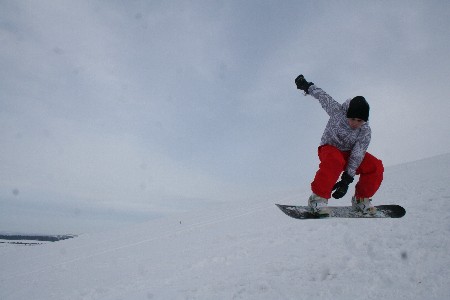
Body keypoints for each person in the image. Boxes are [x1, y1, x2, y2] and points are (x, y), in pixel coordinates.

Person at [294, 74, 384, 216]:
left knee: (375, 166)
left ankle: (361, 200)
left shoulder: (365, 131)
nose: (355, 123)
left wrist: (346, 180)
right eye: (352, 119)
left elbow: (358, 153)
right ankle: (317, 199)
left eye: (360, 121)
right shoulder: (337, 111)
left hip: (349, 155)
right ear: (348, 114)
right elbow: (323, 96)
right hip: (329, 148)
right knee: (335, 160)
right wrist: (307, 86)